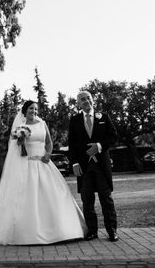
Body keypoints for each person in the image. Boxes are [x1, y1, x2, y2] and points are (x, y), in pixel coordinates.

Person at [0, 100, 86, 245]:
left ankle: (64, 231)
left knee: (57, 194)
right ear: (25, 111)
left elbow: (49, 142)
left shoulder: (42, 123)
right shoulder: (20, 127)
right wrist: (20, 142)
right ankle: (28, 233)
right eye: (30, 109)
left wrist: (48, 153)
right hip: (27, 166)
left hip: (44, 164)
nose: (34, 111)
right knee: (28, 198)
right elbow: (15, 150)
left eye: (35, 109)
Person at [68, 89, 119, 242]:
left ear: (92, 99)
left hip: (101, 167)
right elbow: (72, 144)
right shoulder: (74, 120)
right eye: (82, 99)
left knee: (106, 199)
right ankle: (92, 231)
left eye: (88, 98)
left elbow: (113, 137)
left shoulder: (104, 117)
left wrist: (99, 145)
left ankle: (112, 231)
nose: (86, 101)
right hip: (84, 168)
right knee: (87, 200)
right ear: (78, 103)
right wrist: (75, 163)